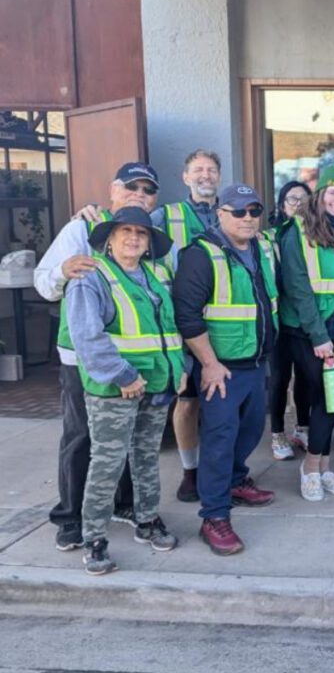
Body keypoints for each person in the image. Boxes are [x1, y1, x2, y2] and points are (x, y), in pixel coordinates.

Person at [34, 162, 160, 551]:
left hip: (134, 361)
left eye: (147, 189)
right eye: (131, 186)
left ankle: (122, 505)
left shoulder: (147, 235)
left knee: (123, 439)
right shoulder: (81, 228)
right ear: (112, 189)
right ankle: (71, 517)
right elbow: (43, 283)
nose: (139, 193)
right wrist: (62, 271)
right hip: (84, 358)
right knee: (82, 437)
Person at [67, 206, 184, 574]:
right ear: (110, 237)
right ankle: (94, 538)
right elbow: (87, 336)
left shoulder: (155, 274)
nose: (134, 238)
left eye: (142, 233)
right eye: (126, 231)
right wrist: (122, 375)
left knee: (147, 456)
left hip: (156, 382)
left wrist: (179, 370)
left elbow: (169, 328)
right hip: (115, 388)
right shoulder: (91, 276)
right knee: (107, 462)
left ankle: (147, 520)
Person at [173, 184, 277, 555]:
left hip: (255, 362)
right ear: (220, 213)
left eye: (254, 210)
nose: (247, 218)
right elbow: (186, 315)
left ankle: (235, 482)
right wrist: (210, 364)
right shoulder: (201, 254)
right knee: (219, 439)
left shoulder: (262, 248)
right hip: (221, 368)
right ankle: (214, 516)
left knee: (250, 430)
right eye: (238, 211)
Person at [277, 166, 334, 501]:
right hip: (314, 334)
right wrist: (319, 336)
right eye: (333, 192)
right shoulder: (299, 232)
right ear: (319, 196)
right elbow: (298, 288)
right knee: (328, 398)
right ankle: (312, 467)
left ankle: (323, 465)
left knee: (331, 400)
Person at [151, 149, 223, 503]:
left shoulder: (233, 213)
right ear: (185, 177)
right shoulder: (165, 216)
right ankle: (190, 472)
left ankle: (222, 470)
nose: (205, 175)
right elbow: (125, 231)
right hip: (183, 324)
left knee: (223, 402)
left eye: (211, 170)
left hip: (225, 325)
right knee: (188, 402)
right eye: (198, 169)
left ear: (219, 177)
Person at [267, 180, 312, 460]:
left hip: (304, 321)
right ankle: (277, 434)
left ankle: (302, 428)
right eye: (292, 199)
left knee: (306, 378)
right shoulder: (269, 237)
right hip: (278, 323)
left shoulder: (315, 236)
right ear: (282, 205)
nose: (298, 204)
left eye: (304, 199)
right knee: (279, 379)